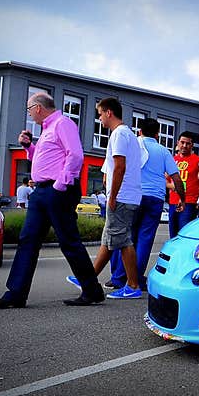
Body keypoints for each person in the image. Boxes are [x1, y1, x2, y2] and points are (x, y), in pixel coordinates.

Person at [0, 93, 103, 308]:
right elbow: (46, 157)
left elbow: (75, 155)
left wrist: (59, 185)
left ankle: (92, 290)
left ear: (38, 107)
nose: (29, 113)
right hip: (41, 191)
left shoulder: (62, 123)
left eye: (29, 109)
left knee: (69, 241)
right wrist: (29, 147)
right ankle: (15, 294)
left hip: (57, 189)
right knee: (28, 239)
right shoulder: (47, 129)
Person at [70, 97, 144, 300]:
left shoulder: (118, 134)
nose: (100, 118)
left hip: (121, 196)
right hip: (129, 195)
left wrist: (113, 195)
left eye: (100, 114)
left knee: (123, 240)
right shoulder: (128, 134)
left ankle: (133, 285)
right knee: (110, 238)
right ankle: (88, 277)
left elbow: (120, 166)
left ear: (109, 112)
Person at [106, 118, 183, 291]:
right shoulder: (163, 151)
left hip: (134, 196)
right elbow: (176, 178)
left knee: (127, 238)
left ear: (139, 131)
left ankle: (118, 278)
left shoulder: (133, 145)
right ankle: (136, 279)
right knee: (145, 239)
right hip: (155, 198)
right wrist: (181, 198)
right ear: (157, 134)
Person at [169, 131, 199, 236]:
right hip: (173, 202)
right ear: (177, 143)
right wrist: (173, 186)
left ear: (192, 145)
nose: (184, 146)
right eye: (182, 142)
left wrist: (198, 199)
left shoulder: (198, 161)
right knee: (173, 234)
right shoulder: (172, 160)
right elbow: (164, 180)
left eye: (188, 143)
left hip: (190, 203)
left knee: (184, 234)